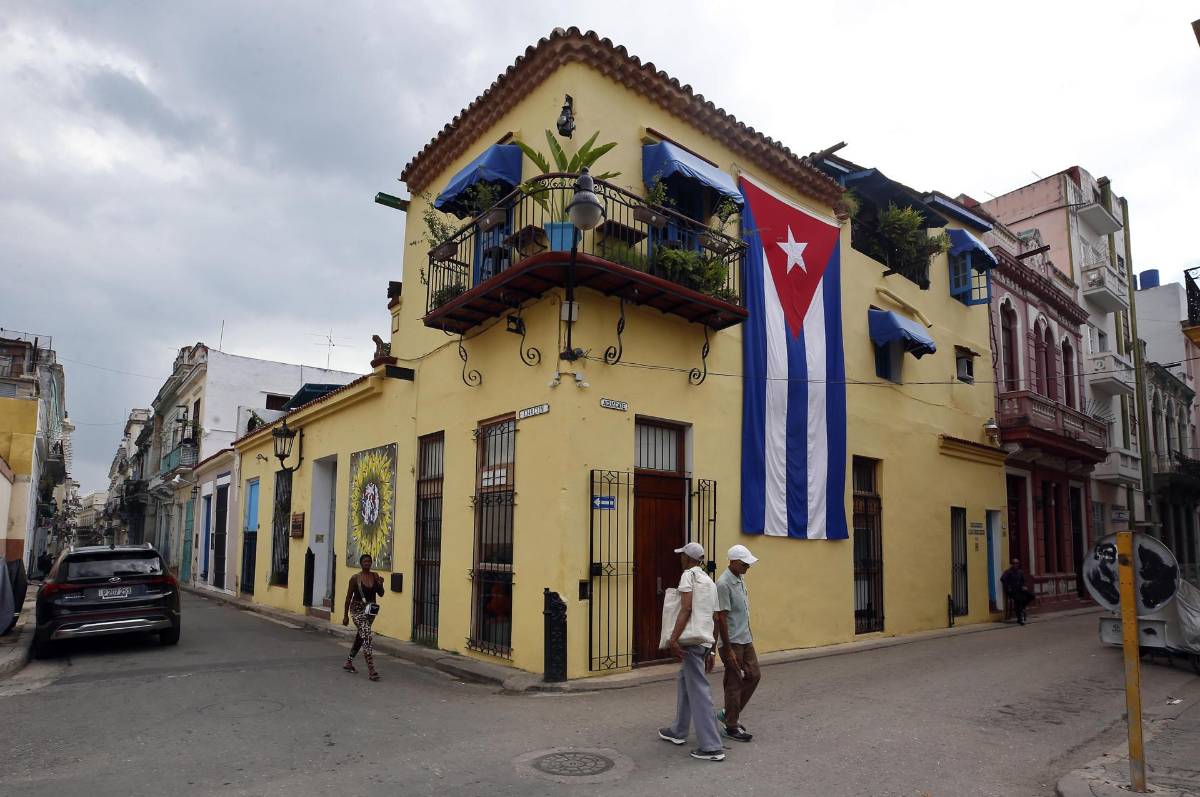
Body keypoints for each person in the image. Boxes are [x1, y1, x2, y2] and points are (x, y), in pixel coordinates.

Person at [658, 541, 725, 762]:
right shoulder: (709, 581)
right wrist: (712, 651)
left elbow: (686, 608)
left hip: (691, 642)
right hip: (704, 641)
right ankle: (678, 730)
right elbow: (715, 618)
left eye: (682, 556)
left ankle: (712, 747)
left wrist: (673, 638)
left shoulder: (688, 576)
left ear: (687, 558)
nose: (680, 559)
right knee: (684, 680)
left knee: (699, 690)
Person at [715, 544, 759, 743]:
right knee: (734, 682)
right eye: (744, 564)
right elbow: (721, 617)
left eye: (748, 564)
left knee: (754, 675)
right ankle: (731, 726)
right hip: (732, 640)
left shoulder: (740, 578)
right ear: (732, 562)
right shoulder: (723, 583)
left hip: (745, 637)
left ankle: (728, 713)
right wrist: (728, 648)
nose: (747, 567)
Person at [342, 553, 385, 680]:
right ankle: (371, 669)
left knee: (362, 635)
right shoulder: (355, 578)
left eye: (369, 561)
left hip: (370, 611)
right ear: (361, 563)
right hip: (357, 610)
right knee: (366, 634)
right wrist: (345, 616)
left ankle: (349, 662)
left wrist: (380, 583)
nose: (367, 563)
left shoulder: (375, 576)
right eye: (365, 561)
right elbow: (348, 597)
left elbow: (381, 594)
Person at [1001, 558, 1033, 625]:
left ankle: (1023, 606)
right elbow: (1002, 579)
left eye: (1017, 563)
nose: (1015, 564)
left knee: (1032, 595)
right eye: (1014, 563)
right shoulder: (1008, 572)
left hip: (1020, 589)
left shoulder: (1020, 572)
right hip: (1012, 591)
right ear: (1011, 564)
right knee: (1018, 601)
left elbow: (1024, 580)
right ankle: (1020, 619)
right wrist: (1008, 587)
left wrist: (1024, 586)